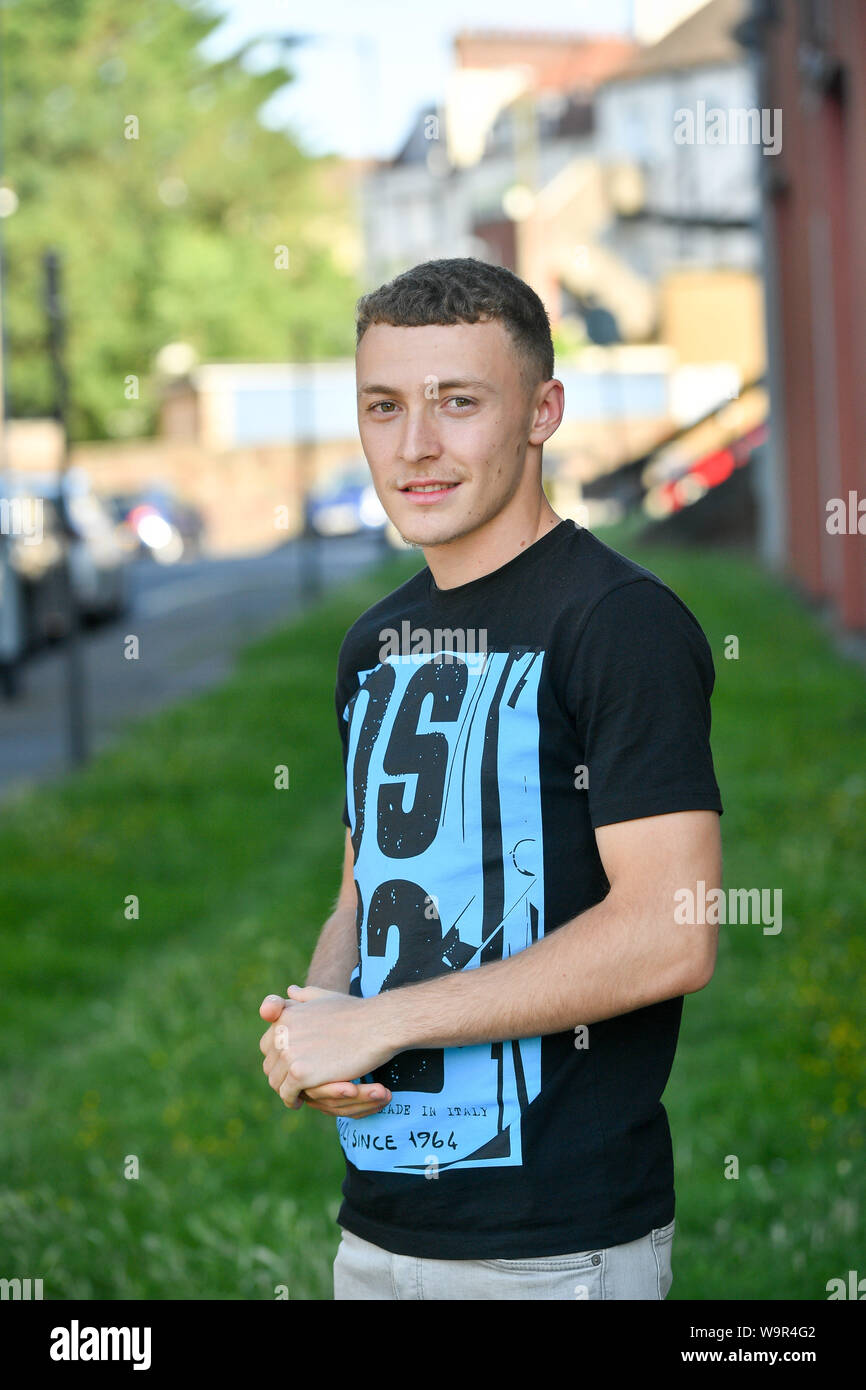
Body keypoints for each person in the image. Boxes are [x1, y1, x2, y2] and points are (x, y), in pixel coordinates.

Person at [259, 257, 723, 1301]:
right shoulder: (373, 642)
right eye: (383, 407)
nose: (413, 444)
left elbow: (671, 929)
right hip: (379, 1224)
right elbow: (361, 886)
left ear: (540, 412)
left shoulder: (617, 624)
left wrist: (389, 1018)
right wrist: (326, 1011)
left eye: (456, 402)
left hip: (552, 1244)